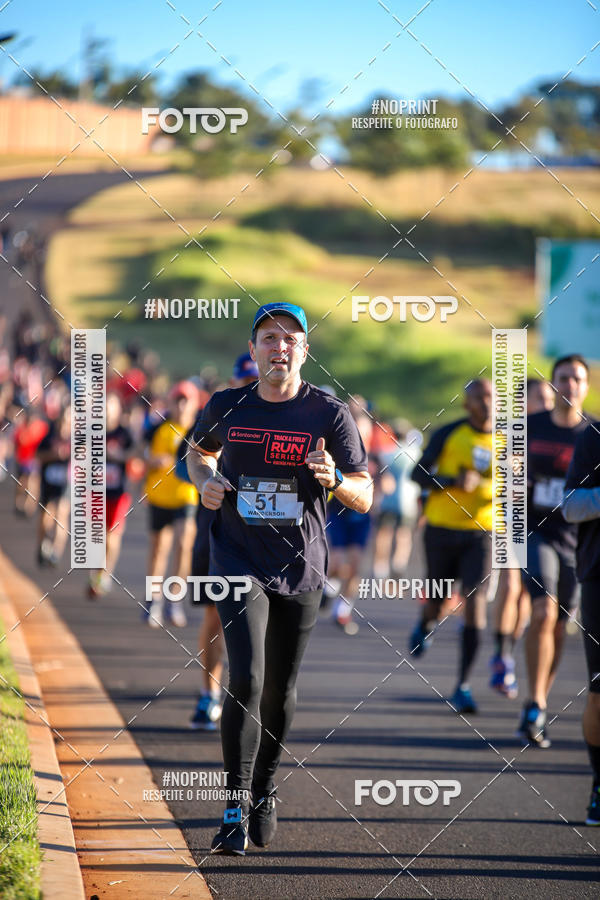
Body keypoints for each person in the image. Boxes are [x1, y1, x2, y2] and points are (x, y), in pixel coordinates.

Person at [187, 302, 372, 855]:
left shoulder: (329, 415)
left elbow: (364, 496)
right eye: (269, 338)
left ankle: (265, 783)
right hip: (236, 556)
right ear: (254, 349)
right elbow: (198, 454)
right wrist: (204, 481)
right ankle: (233, 804)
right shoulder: (227, 404)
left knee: (280, 689)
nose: (279, 348)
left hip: (300, 566)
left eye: (290, 339)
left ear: (304, 351)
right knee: (244, 677)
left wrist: (335, 478)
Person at [181, 353, 260, 731]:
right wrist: (205, 479)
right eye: (243, 382)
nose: (249, 389)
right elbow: (191, 459)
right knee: (216, 614)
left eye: (254, 382)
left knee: (263, 622)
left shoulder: (284, 421)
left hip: (266, 539)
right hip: (217, 531)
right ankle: (208, 695)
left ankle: (251, 699)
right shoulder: (220, 413)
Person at [408, 379, 494, 714]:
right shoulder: (448, 433)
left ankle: (463, 685)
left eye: (491, 398)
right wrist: (451, 482)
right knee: (438, 600)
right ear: (466, 404)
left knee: (475, 603)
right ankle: (426, 622)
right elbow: (417, 475)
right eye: (479, 398)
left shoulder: (511, 439)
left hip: (482, 533)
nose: (486, 403)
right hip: (442, 528)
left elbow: (520, 480)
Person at [517, 355, 589, 748]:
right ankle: (535, 701)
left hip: (579, 541)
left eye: (577, 379)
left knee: (561, 623)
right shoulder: (528, 427)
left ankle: (542, 693)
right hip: (535, 531)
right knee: (544, 611)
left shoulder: (594, 432)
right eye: (563, 378)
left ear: (587, 386)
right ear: (554, 384)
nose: (570, 385)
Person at [490, 377, 555, 698]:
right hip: (512, 516)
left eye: (548, 398)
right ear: (524, 402)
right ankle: (501, 655)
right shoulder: (515, 430)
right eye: (539, 398)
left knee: (528, 596)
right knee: (511, 584)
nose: (546, 404)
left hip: (546, 525)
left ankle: (511, 648)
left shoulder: (555, 431)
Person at [562, 419, 600, 824]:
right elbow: (571, 505)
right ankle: (598, 781)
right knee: (599, 694)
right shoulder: (594, 437)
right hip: (598, 575)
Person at [145, 381, 199, 628]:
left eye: (186, 400)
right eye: (178, 399)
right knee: (159, 548)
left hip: (186, 496)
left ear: (194, 403)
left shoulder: (201, 430)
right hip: (159, 496)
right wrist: (150, 460)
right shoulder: (158, 427)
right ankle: (152, 601)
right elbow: (137, 452)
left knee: (183, 544)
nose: (181, 404)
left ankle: (174, 601)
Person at [326, 395, 373, 635]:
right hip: (336, 507)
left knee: (355, 563)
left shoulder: (371, 451)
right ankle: (329, 585)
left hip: (360, 511)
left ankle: (342, 610)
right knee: (335, 563)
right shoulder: (336, 431)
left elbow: (376, 469)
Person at [88, 392, 133, 598]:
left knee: (112, 537)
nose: (106, 410)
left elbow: (137, 454)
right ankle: (95, 574)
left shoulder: (124, 433)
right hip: (95, 493)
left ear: (117, 410)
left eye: (110, 405)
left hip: (117, 494)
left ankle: (105, 575)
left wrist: (120, 456)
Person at [36, 403, 71, 566]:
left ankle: (56, 552)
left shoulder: (79, 439)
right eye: (63, 421)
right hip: (49, 481)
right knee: (46, 516)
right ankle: (43, 546)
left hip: (67, 482)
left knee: (62, 514)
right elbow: (38, 455)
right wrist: (54, 454)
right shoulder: (49, 436)